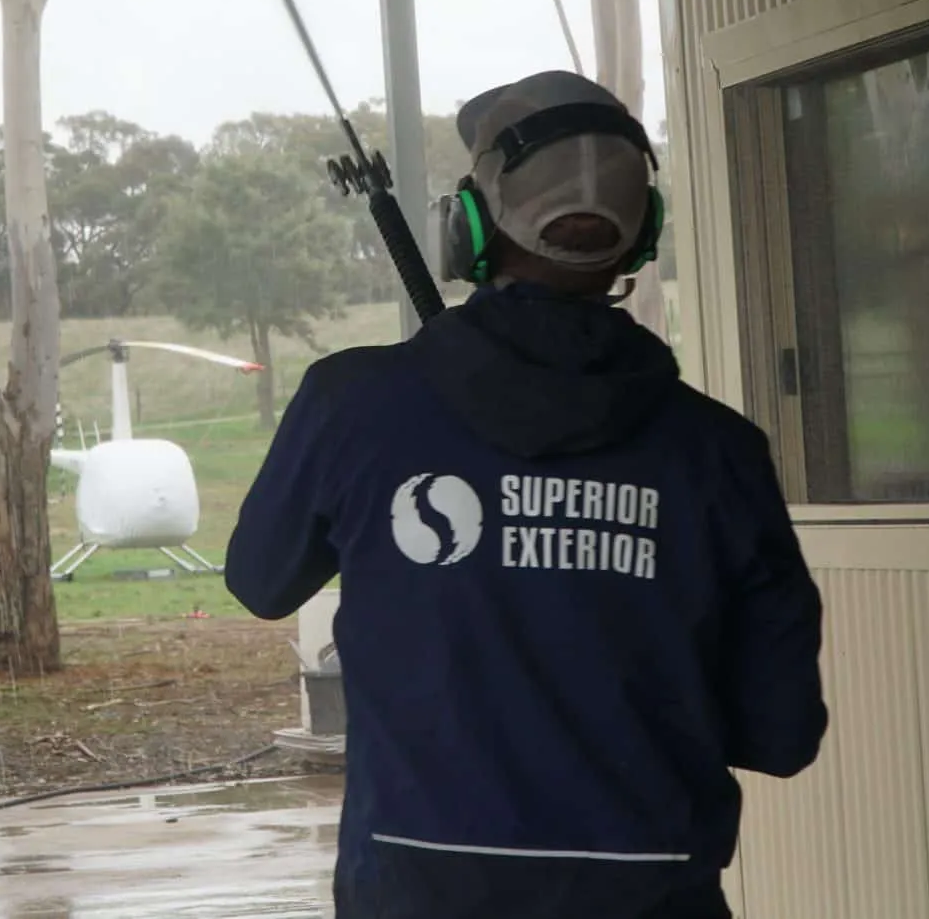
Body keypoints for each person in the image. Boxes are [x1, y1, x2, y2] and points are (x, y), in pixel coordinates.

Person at [223, 70, 828, 919]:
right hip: (649, 890)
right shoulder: (718, 451)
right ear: (642, 234)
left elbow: (259, 580)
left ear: (462, 227)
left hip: (414, 888)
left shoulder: (350, 405)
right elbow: (780, 732)